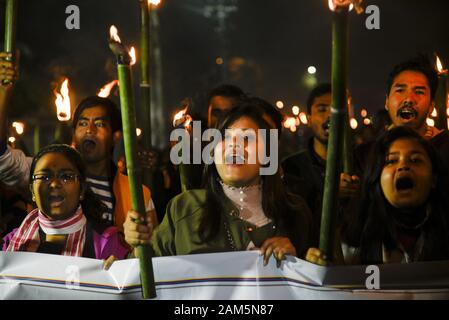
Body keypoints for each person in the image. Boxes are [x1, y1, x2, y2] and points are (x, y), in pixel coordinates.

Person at [124, 100, 314, 266]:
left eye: (246, 138)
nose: (233, 146)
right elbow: (144, 273)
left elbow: (321, 281)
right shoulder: (185, 207)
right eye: (225, 137)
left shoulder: (295, 212)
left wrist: (299, 261)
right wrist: (138, 244)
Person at [0, 52, 157, 232]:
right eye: (82, 123)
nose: (89, 130)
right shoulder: (46, 175)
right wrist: (3, 93)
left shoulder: (137, 194)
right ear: (74, 134)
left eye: (99, 124)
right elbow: (3, 161)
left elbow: (151, 247)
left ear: (116, 136)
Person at [307, 127, 449, 265]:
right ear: (377, 177)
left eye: (415, 160)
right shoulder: (351, 240)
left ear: (433, 179)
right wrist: (321, 267)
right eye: (391, 161)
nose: (403, 166)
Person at [2, 144, 129, 262]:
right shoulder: (11, 242)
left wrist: (120, 270)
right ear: (32, 192)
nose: (55, 184)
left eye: (66, 177)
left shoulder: (106, 242)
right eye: (44, 177)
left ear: (81, 190)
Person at [355, 54, 449, 175]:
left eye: (419, 92)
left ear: (431, 106)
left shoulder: (445, 148)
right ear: (387, 102)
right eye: (400, 90)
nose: (409, 99)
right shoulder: (365, 155)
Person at [282, 83, 359, 227]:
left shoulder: (363, 161)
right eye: (322, 109)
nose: (331, 115)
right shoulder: (291, 168)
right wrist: (331, 195)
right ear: (309, 119)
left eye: (337, 109)